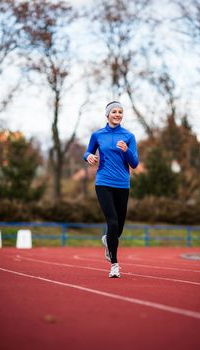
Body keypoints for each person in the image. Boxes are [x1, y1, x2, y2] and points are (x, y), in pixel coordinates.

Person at [83, 101, 139, 278]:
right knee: (112, 222)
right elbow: (87, 152)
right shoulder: (97, 135)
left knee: (118, 228)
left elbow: (135, 163)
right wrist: (89, 157)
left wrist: (126, 150)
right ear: (107, 115)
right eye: (114, 111)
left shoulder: (129, 136)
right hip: (103, 182)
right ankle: (114, 264)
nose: (117, 114)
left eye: (120, 112)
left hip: (122, 184)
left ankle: (108, 240)